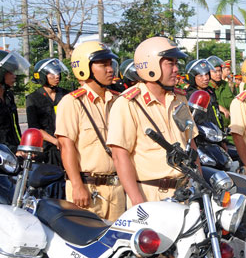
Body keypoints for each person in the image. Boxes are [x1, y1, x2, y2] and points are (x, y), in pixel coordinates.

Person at [107, 36, 196, 204]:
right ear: (150, 65)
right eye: (170, 63)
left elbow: (190, 142)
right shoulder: (128, 103)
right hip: (150, 194)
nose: (176, 69)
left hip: (184, 191)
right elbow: (120, 156)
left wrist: (197, 182)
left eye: (177, 63)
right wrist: (137, 201)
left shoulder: (179, 99)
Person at [55, 41, 125, 219]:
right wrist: (78, 186)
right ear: (84, 69)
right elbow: (66, 146)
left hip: (117, 188)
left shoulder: (118, 101)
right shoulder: (72, 102)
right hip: (87, 188)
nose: (110, 69)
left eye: (111, 64)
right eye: (103, 65)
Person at [27, 58, 69, 166]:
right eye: (52, 73)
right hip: (46, 151)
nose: (57, 76)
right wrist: (55, 141)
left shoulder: (66, 95)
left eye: (58, 73)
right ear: (42, 76)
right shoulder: (33, 98)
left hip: (67, 147)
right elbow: (35, 128)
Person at [0, 52, 30, 150]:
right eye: (11, 72)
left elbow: (15, 127)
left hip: (13, 151)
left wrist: (21, 147)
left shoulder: (9, 97)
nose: (15, 76)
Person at [185, 59, 224, 128]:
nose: (205, 78)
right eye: (200, 76)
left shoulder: (210, 91)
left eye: (206, 74)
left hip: (215, 134)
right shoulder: (190, 95)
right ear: (192, 77)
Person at [206, 55, 231, 125]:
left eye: (220, 71)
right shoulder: (206, 88)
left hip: (230, 127)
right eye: (215, 72)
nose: (218, 74)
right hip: (214, 128)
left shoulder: (226, 85)